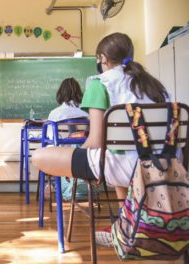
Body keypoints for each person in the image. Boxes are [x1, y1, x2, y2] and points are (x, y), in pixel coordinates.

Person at [32, 32, 168, 247]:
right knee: (115, 156)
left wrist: (78, 164)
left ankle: (127, 224)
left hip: (125, 168)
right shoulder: (155, 85)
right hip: (164, 165)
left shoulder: (99, 82)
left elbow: (95, 141)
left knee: (40, 156)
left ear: (103, 58)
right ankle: (128, 222)